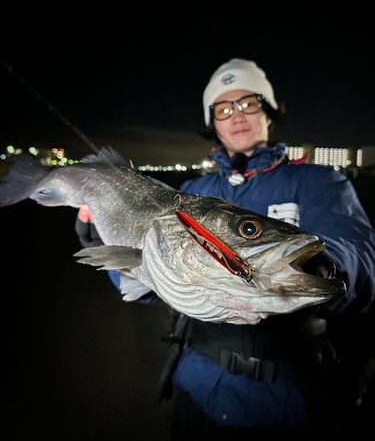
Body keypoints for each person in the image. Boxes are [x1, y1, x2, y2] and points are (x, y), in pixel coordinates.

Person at [75, 59, 375, 440]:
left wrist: (317, 271)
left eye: (249, 102)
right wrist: (98, 238)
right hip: (198, 394)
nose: (237, 115)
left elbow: (363, 262)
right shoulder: (191, 193)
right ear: (212, 121)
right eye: (223, 108)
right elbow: (149, 284)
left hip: (293, 404)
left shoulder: (319, 181)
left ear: (268, 110)